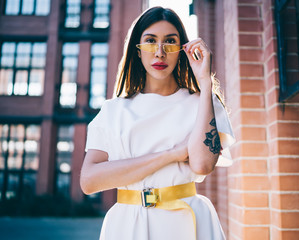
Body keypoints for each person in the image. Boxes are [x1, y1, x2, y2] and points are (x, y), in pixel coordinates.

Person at [80, 6, 235, 240]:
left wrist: (205, 83)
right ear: (138, 49)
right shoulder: (113, 111)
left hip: (187, 222)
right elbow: (89, 181)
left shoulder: (202, 103)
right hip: (127, 225)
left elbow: (203, 165)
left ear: (182, 50)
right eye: (151, 41)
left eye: (170, 42)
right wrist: (172, 154)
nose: (160, 52)